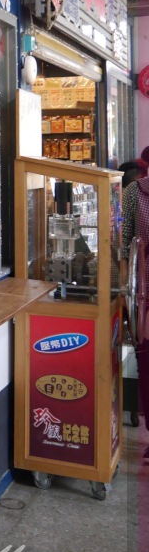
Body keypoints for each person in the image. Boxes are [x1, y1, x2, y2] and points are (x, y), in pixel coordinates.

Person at [121, 171, 149, 461]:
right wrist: (125, 290)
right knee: (147, 362)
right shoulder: (135, 191)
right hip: (144, 291)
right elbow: (124, 242)